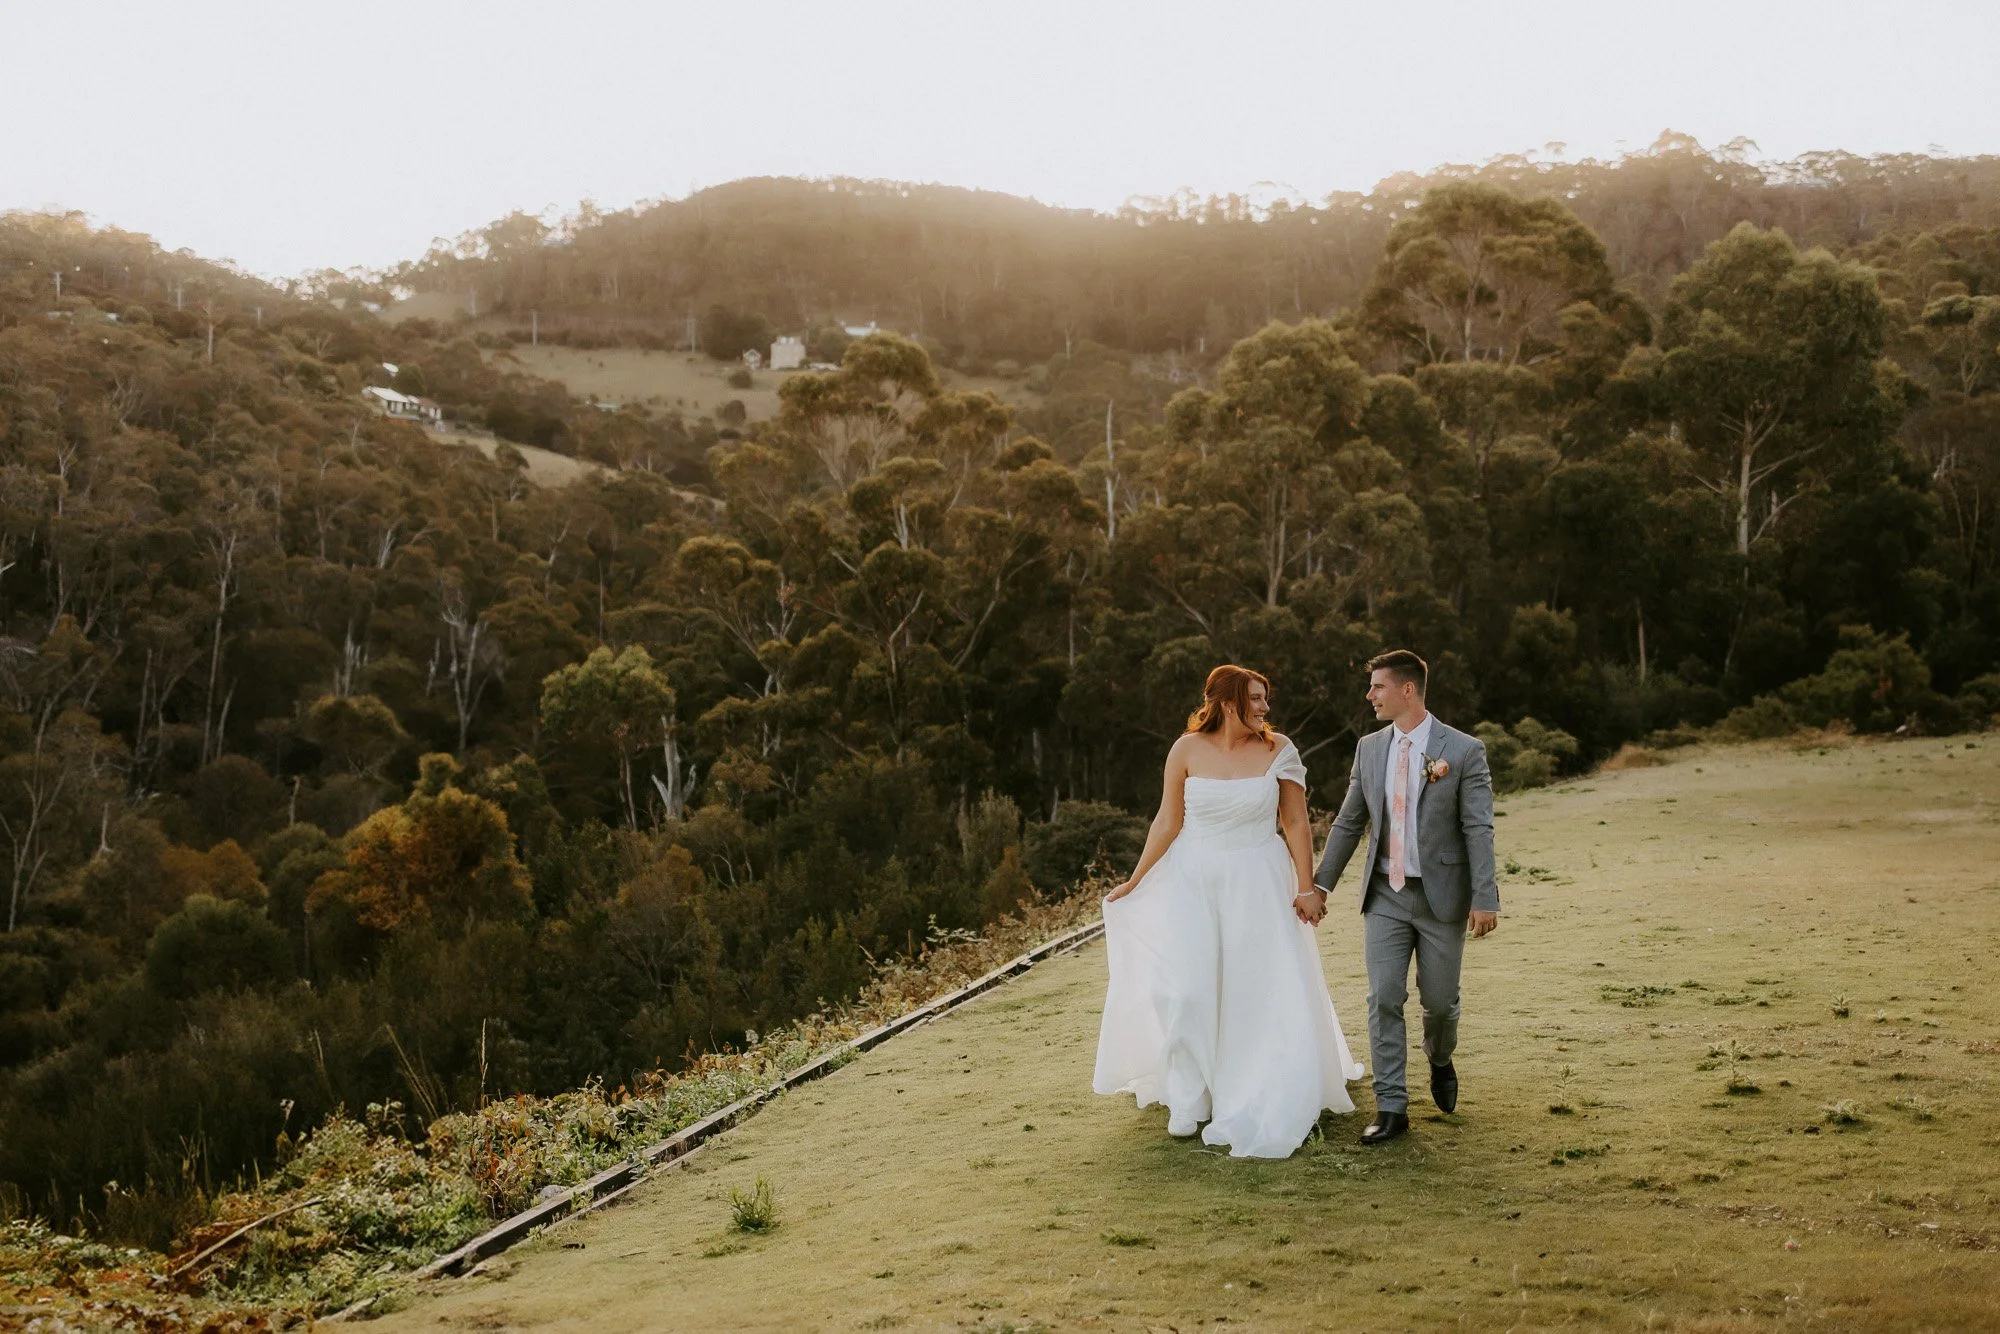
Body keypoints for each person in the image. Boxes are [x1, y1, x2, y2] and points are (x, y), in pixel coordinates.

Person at [1093, 664, 1363, 1158]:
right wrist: (1136, 879)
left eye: (1265, 698)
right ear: (1226, 701)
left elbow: (1297, 822)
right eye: (1256, 698)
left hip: (1258, 879)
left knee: (1254, 987)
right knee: (1185, 987)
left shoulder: (1278, 748)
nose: (1264, 707)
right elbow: (1167, 820)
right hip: (1193, 879)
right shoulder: (1186, 749)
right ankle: (1189, 1094)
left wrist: (1307, 887)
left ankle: (1257, 1080)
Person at [1302, 649, 1500, 1146]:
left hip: (1443, 899)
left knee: (1440, 1004)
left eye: (1378, 687)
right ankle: (1391, 1106)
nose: (1370, 695)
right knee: (1383, 998)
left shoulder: (1463, 750)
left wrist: (1485, 896)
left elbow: (1478, 827)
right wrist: (1320, 884)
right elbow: (1350, 821)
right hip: (1384, 896)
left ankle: (1439, 1057)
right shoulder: (1369, 748)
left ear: (1407, 690)